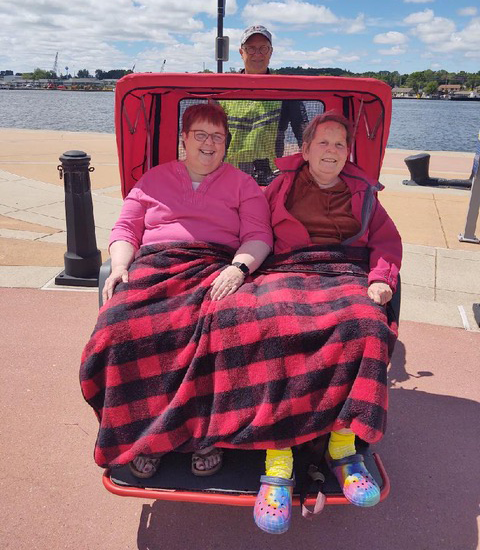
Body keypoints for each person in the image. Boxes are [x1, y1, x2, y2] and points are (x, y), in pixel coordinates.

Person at [81, 102, 272, 478]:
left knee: (225, 328)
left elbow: (258, 235)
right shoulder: (154, 179)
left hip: (215, 266)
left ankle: (205, 436)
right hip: (156, 263)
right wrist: (120, 266)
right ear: (184, 139)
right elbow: (125, 230)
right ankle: (143, 435)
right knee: (119, 328)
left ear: (227, 143)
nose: (208, 143)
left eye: (217, 136)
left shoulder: (242, 184)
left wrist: (237, 269)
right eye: (200, 134)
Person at [251, 110, 402, 534]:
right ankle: (278, 459)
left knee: (368, 329)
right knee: (272, 326)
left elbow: (387, 242)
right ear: (305, 149)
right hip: (288, 269)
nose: (331, 151)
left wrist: (381, 280)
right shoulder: (279, 187)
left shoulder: (364, 193)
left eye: (340, 144)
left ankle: (343, 447)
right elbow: (254, 230)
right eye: (323, 142)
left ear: (348, 153)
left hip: (344, 270)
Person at [221, 25, 308, 184]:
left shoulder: (286, 91)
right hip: (228, 176)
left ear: (271, 52)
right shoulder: (224, 90)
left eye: (263, 49)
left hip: (268, 177)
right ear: (242, 52)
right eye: (251, 49)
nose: (257, 54)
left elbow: (304, 132)